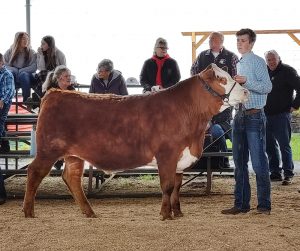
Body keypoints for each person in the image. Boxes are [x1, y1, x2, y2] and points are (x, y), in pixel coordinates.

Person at [222, 28, 272, 215]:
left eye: (243, 40)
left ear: (251, 43)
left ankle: (264, 206)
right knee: (239, 162)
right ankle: (241, 204)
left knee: (259, 163)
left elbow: (267, 87)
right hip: (239, 115)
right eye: (238, 40)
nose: (239, 43)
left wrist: (246, 81)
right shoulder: (239, 62)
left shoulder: (258, 62)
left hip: (255, 116)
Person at [190, 31, 239, 167]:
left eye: (213, 39)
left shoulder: (232, 57)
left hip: (224, 103)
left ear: (221, 41)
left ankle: (234, 159)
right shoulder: (202, 56)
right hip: (205, 103)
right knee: (214, 130)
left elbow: (236, 79)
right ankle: (222, 160)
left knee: (224, 129)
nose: (210, 41)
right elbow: (193, 74)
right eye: (210, 39)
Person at [264, 50, 300, 185]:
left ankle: (288, 174)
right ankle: (275, 173)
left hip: (282, 115)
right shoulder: (264, 72)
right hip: (265, 115)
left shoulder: (288, 71)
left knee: (284, 145)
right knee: (269, 146)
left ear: (279, 58)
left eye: (273, 59)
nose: (271, 62)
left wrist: (295, 105)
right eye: (268, 60)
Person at [42, 65, 75, 170]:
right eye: (66, 76)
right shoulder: (51, 92)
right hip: (54, 124)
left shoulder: (72, 91)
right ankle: (59, 158)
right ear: (59, 78)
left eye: (70, 75)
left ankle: (66, 159)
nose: (69, 78)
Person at [3, 32, 37, 102]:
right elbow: (4, 65)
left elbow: (34, 67)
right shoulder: (9, 51)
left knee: (23, 74)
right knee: (9, 74)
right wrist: (15, 70)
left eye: (27, 39)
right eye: (23, 39)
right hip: (14, 76)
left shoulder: (31, 52)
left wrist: (21, 71)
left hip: (26, 76)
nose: (26, 41)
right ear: (18, 40)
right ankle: (5, 99)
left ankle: (26, 100)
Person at [0, 53, 15, 204]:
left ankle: (1, 195)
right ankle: (5, 144)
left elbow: (8, 93)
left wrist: (2, 101)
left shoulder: (6, 75)